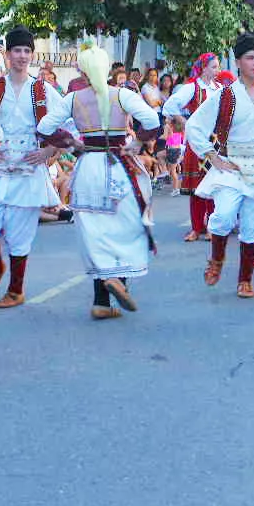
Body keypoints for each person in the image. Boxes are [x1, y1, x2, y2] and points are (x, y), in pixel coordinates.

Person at [32, 44, 163, 318]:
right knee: (125, 227)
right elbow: (152, 120)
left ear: (82, 69)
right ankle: (115, 281)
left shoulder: (72, 98)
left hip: (89, 165)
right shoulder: (123, 94)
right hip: (119, 165)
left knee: (95, 230)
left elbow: (44, 128)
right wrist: (137, 141)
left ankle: (101, 302)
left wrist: (72, 143)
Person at [187, 34, 254, 299]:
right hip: (231, 165)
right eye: (251, 58)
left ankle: (245, 279)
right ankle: (217, 258)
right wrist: (211, 156)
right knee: (223, 215)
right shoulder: (224, 95)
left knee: (253, 225)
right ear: (238, 62)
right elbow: (194, 125)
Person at [0, 27, 61, 309]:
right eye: (17, 50)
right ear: (7, 55)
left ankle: (16, 290)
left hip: (28, 169)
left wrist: (48, 150)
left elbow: (67, 126)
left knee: (20, 235)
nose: (22, 56)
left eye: (26, 51)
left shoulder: (43, 90)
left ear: (32, 55)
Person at [163, 53, 224, 242]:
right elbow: (170, 105)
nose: (217, 70)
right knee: (197, 187)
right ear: (204, 68)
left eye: (218, 67)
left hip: (216, 142)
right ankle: (197, 228)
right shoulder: (192, 88)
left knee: (214, 186)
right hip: (197, 141)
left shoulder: (220, 88)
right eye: (214, 67)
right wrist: (184, 121)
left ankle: (212, 228)